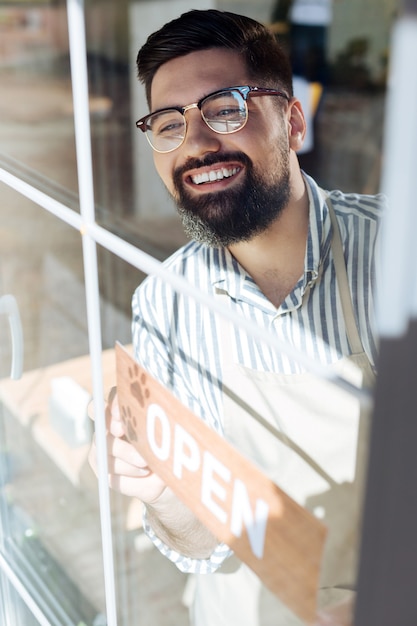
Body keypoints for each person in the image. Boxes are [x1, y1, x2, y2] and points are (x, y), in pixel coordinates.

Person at [89, 9, 384, 626]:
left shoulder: (393, 251)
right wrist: (160, 487)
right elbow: (202, 542)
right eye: (168, 124)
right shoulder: (166, 304)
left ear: (294, 121)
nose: (196, 144)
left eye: (225, 108)